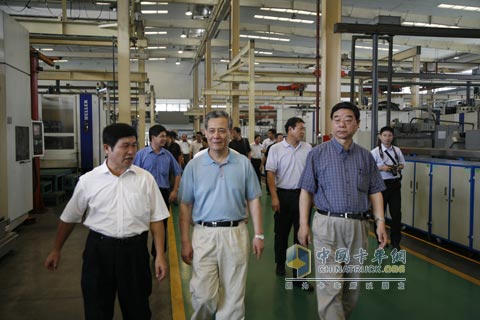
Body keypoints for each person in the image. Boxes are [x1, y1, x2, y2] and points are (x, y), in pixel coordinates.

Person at [44, 123, 169, 320]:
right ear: (107, 148)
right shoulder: (89, 180)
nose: (131, 152)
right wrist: (56, 249)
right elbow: (69, 218)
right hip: (99, 252)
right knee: (97, 309)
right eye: (124, 146)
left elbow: (156, 219)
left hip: (135, 253)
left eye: (134, 145)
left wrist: (160, 255)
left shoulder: (145, 179)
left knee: (138, 310)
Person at [298, 102, 388, 320]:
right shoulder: (317, 154)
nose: (342, 124)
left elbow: (375, 191)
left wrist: (380, 222)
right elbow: (306, 191)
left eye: (348, 119)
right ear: (331, 124)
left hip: (358, 226)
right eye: (337, 119)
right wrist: (304, 224)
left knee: (351, 287)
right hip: (327, 225)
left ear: (357, 124)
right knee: (330, 285)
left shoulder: (366, 157)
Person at [179, 110, 264, 320]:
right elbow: (185, 205)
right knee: (203, 295)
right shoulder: (194, 165)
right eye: (212, 130)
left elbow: (254, 199)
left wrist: (259, 234)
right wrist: (185, 242)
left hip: (236, 233)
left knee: (233, 297)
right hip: (204, 234)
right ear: (205, 133)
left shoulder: (242, 163)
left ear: (230, 133)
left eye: (222, 130)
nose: (217, 135)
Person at [265, 117, 312, 281]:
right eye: (300, 128)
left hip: (303, 196)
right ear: (290, 129)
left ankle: (300, 273)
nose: (302, 131)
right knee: (281, 233)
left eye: (303, 129)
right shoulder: (276, 149)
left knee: (302, 233)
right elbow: (270, 173)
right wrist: (274, 197)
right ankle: (280, 262)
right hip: (283, 195)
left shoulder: (308, 148)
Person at [134, 124, 183, 256]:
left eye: (165, 136)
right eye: (162, 136)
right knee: (142, 225)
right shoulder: (141, 155)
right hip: (144, 195)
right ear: (153, 138)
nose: (165, 139)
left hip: (162, 193)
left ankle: (158, 254)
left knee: (162, 225)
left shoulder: (167, 155)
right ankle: (141, 254)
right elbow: (132, 175)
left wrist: (174, 190)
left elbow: (178, 172)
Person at [371, 126, 405, 250]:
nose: (387, 138)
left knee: (396, 214)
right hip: (380, 186)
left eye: (389, 135)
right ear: (380, 137)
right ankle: (381, 241)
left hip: (395, 185)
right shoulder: (374, 152)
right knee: (380, 215)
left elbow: (403, 165)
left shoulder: (397, 150)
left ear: (393, 137)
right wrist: (382, 168)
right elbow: (369, 168)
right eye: (384, 135)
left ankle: (396, 243)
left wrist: (396, 167)